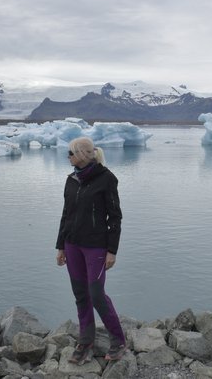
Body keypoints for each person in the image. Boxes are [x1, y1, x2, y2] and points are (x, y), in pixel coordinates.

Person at [55, 137, 126, 365]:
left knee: (96, 294)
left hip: (96, 246)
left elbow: (115, 217)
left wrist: (112, 250)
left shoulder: (107, 179)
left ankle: (118, 339)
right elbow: (66, 214)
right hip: (72, 245)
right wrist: (60, 246)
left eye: (71, 152)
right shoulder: (71, 180)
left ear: (84, 154)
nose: (68, 156)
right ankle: (86, 340)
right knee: (81, 294)